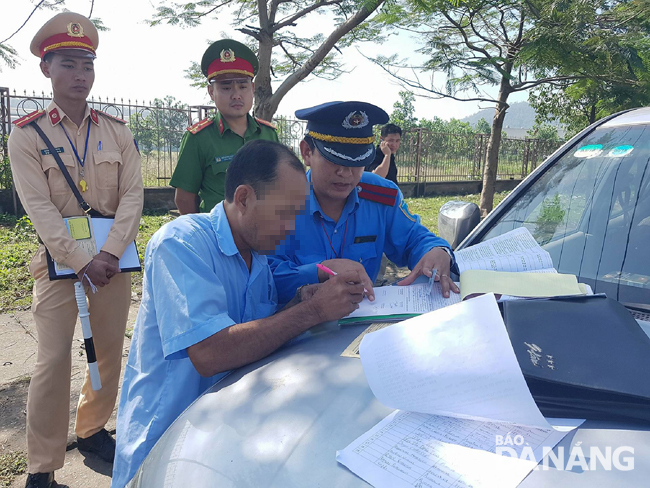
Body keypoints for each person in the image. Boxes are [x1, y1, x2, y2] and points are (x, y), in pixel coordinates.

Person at [111, 140, 364, 488]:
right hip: (164, 441)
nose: (291, 227)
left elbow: (255, 332)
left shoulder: (257, 258)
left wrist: (302, 302)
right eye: (284, 212)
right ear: (244, 198)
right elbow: (211, 352)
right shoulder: (181, 243)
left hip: (218, 442)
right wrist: (311, 311)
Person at [7, 12, 144, 488]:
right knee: (52, 361)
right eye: (68, 64)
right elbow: (39, 209)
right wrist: (83, 259)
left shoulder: (117, 131)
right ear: (47, 69)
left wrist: (107, 254)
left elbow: (133, 196)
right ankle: (41, 468)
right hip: (60, 267)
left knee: (108, 353)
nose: (80, 75)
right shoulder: (26, 135)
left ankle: (91, 431)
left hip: (113, 265)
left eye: (87, 64)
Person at [269, 101, 460, 306]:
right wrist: (320, 271)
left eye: (356, 161)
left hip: (363, 324)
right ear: (307, 152)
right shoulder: (279, 201)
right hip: (297, 328)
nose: (345, 173)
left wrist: (437, 251)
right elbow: (264, 279)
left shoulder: (381, 195)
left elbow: (414, 238)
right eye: (333, 160)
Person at [170, 39, 279, 214]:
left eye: (243, 86)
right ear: (211, 92)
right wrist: (205, 235)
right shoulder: (199, 138)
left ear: (252, 88)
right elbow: (184, 197)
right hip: (217, 235)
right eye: (226, 88)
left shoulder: (269, 134)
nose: (236, 95)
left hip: (265, 234)